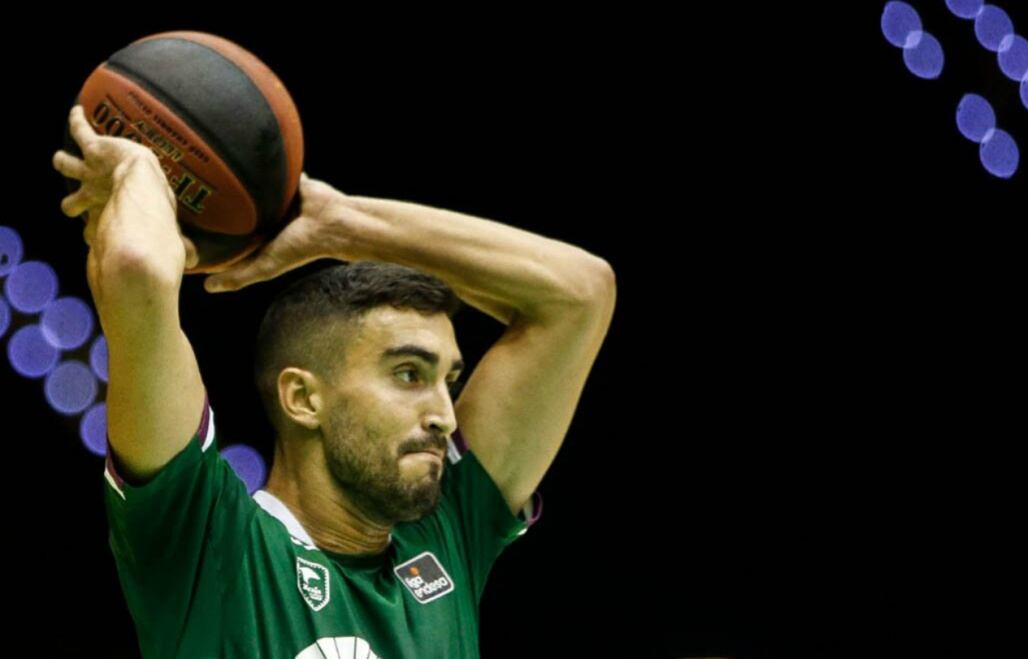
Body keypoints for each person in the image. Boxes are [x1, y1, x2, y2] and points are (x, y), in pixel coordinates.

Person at [52, 103, 616, 658]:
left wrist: (340, 225)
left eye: (449, 379)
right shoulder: (207, 542)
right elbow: (137, 268)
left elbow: (579, 294)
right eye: (408, 374)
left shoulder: (448, 534)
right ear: (302, 398)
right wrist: (140, 169)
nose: (446, 414)